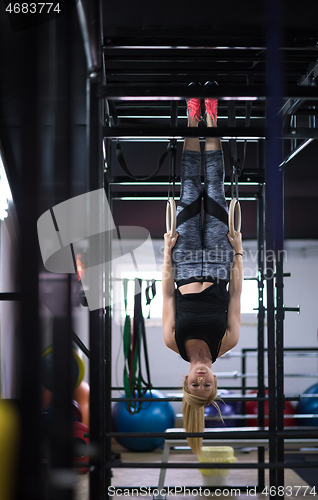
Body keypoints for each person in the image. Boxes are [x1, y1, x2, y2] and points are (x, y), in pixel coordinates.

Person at [162, 82, 243, 455]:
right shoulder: (227, 342)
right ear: (214, 382)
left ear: (185, 380)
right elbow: (237, 293)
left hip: (183, 260)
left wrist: (166, 253)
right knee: (215, 187)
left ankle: (193, 116)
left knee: (190, 188)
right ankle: (212, 113)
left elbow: (166, 292)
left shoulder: (172, 341)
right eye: (206, 386)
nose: (200, 380)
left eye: (194, 386)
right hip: (219, 263)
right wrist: (238, 251)